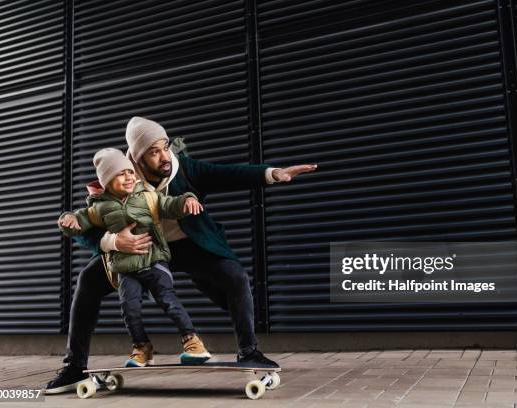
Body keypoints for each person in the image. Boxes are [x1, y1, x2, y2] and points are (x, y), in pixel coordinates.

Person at [44, 116, 317, 394]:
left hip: (187, 243)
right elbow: (83, 222)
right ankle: (75, 367)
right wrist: (112, 241)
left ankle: (249, 351)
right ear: (138, 158)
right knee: (88, 281)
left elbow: (226, 173)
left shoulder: (182, 168)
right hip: (140, 247)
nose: (165, 156)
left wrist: (271, 174)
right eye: (154, 152)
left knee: (235, 277)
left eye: (165, 147)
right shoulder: (119, 175)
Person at [58, 148, 211, 367]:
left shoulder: (147, 196)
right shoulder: (98, 208)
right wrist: (68, 219)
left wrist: (187, 200)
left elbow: (169, 204)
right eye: (121, 174)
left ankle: (193, 342)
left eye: (131, 172)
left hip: (154, 260)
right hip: (124, 268)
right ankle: (141, 348)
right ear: (107, 180)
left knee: (168, 300)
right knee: (129, 310)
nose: (129, 177)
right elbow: (79, 223)